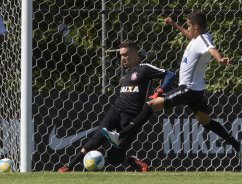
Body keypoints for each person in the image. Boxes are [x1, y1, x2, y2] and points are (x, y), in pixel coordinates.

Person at [101, 11, 242, 171]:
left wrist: (220, 59)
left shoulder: (204, 39)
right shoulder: (197, 38)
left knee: (151, 105)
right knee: (206, 122)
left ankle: (120, 135)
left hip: (188, 88)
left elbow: (211, 49)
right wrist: (175, 25)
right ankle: (239, 147)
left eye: (188, 25)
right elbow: (192, 37)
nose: (187, 28)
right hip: (195, 91)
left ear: (196, 27)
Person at [58, 40, 176, 172]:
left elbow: (170, 74)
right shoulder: (126, 73)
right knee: (96, 140)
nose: (123, 58)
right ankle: (69, 166)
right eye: (121, 55)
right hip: (116, 111)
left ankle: (131, 160)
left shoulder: (145, 68)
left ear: (135, 53)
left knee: (114, 158)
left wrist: (160, 90)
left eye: (125, 54)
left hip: (131, 117)